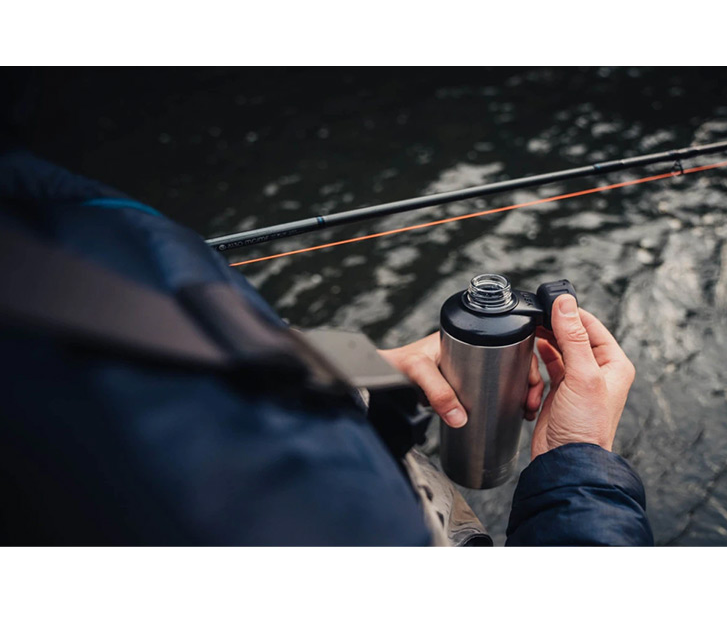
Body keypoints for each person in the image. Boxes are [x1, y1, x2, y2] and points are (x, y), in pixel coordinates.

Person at [0, 149, 653, 546]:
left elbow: (233, 370)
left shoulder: (71, 212)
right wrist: (579, 461)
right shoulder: (104, 221)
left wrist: (359, 378)